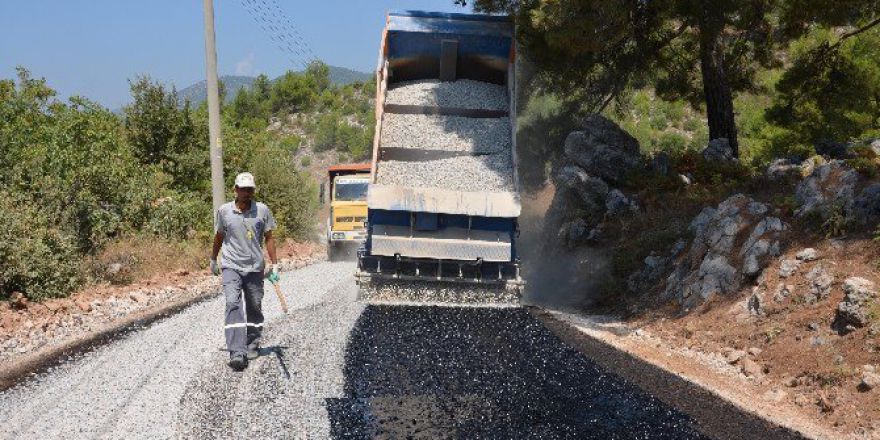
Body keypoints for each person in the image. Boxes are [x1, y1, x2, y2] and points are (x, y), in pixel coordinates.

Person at [211, 172, 279, 371]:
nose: (246, 193)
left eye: (249, 189)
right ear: (235, 190)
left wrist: (275, 264)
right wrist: (213, 259)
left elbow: (269, 237)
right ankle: (237, 351)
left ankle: (252, 344)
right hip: (231, 265)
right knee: (232, 303)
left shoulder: (262, 211)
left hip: (255, 268)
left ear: (253, 191)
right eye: (242, 189)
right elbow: (219, 236)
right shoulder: (224, 211)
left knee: (255, 306)